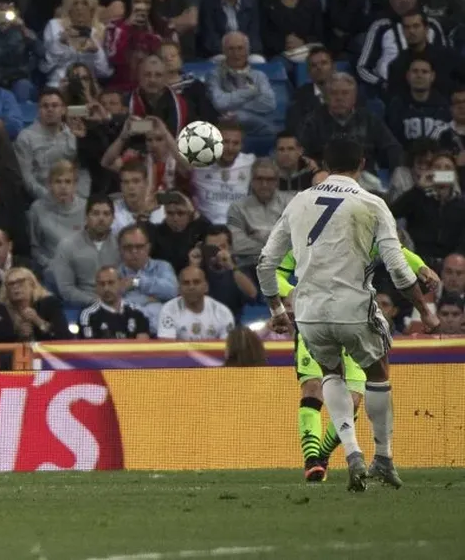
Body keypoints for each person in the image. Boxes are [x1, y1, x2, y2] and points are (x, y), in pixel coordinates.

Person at [256, 137, 440, 492]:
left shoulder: (299, 201)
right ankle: (382, 457)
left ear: (326, 163)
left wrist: (277, 308)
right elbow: (396, 266)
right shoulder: (371, 203)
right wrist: (424, 309)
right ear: (363, 164)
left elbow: (265, 263)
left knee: (330, 375)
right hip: (352, 307)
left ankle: (352, 452)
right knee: (377, 374)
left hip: (310, 314)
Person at [157, 266, 235, 341]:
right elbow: (167, 346)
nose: (191, 287)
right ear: (179, 289)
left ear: (206, 287)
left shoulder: (222, 312)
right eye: (186, 283)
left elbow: (228, 346)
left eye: (196, 282)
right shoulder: (169, 310)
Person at [79, 266, 151, 340]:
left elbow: (142, 344)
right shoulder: (89, 315)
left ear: (121, 283)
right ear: (96, 287)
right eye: (102, 284)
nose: (106, 288)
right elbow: (90, 345)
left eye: (111, 283)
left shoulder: (137, 313)